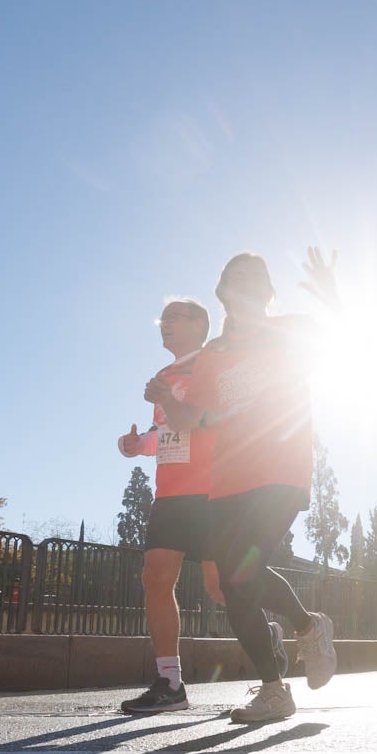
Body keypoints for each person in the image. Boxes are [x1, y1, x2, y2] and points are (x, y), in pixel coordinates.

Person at [147, 249, 339, 723]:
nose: (246, 284)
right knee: (234, 582)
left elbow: (339, 341)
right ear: (224, 292)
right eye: (237, 277)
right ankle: (283, 675)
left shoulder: (289, 331)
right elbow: (193, 419)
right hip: (229, 478)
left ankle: (299, 642)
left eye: (256, 277)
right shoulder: (214, 354)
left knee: (241, 573)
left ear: (269, 292)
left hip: (280, 470)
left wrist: (329, 295)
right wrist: (168, 400)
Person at [116, 298, 229, 714]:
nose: (164, 325)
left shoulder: (213, 363)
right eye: (161, 320)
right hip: (169, 493)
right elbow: (164, 432)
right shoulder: (163, 375)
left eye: (173, 318)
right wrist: (137, 444)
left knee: (220, 588)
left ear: (200, 324)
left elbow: (205, 420)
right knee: (156, 577)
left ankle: (264, 633)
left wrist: (169, 402)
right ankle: (170, 682)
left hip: (210, 490)